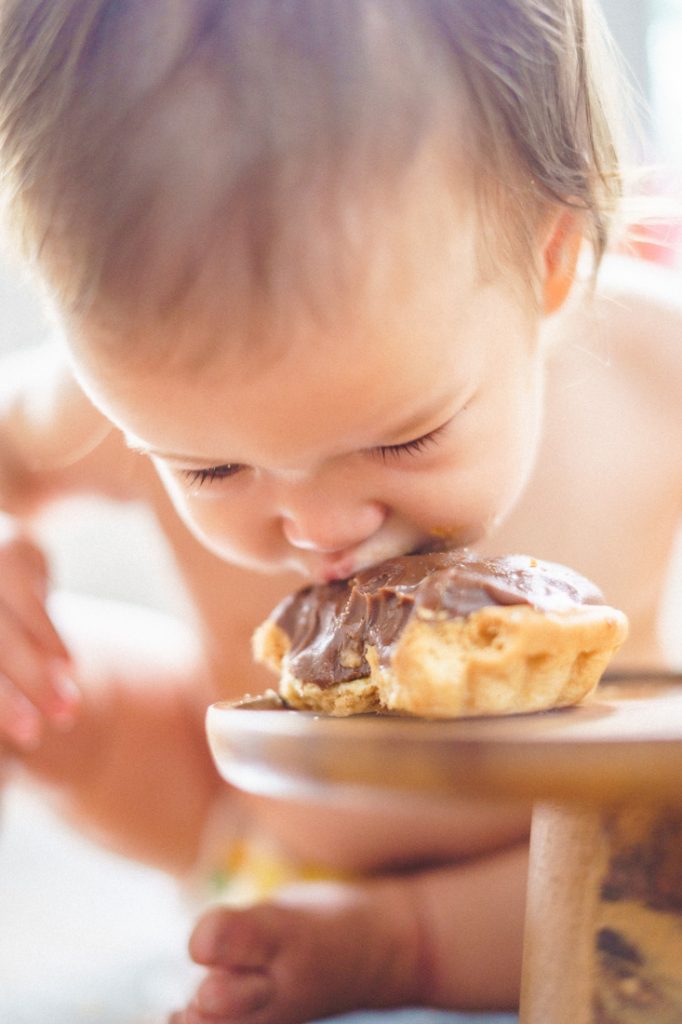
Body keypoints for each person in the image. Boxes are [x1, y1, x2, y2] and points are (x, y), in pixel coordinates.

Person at [0, 1, 679, 1022]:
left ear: (547, 264)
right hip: (256, 836)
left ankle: (400, 947)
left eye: (401, 439)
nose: (320, 530)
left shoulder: (650, 368)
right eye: (214, 468)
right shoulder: (133, 392)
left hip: (548, 878)